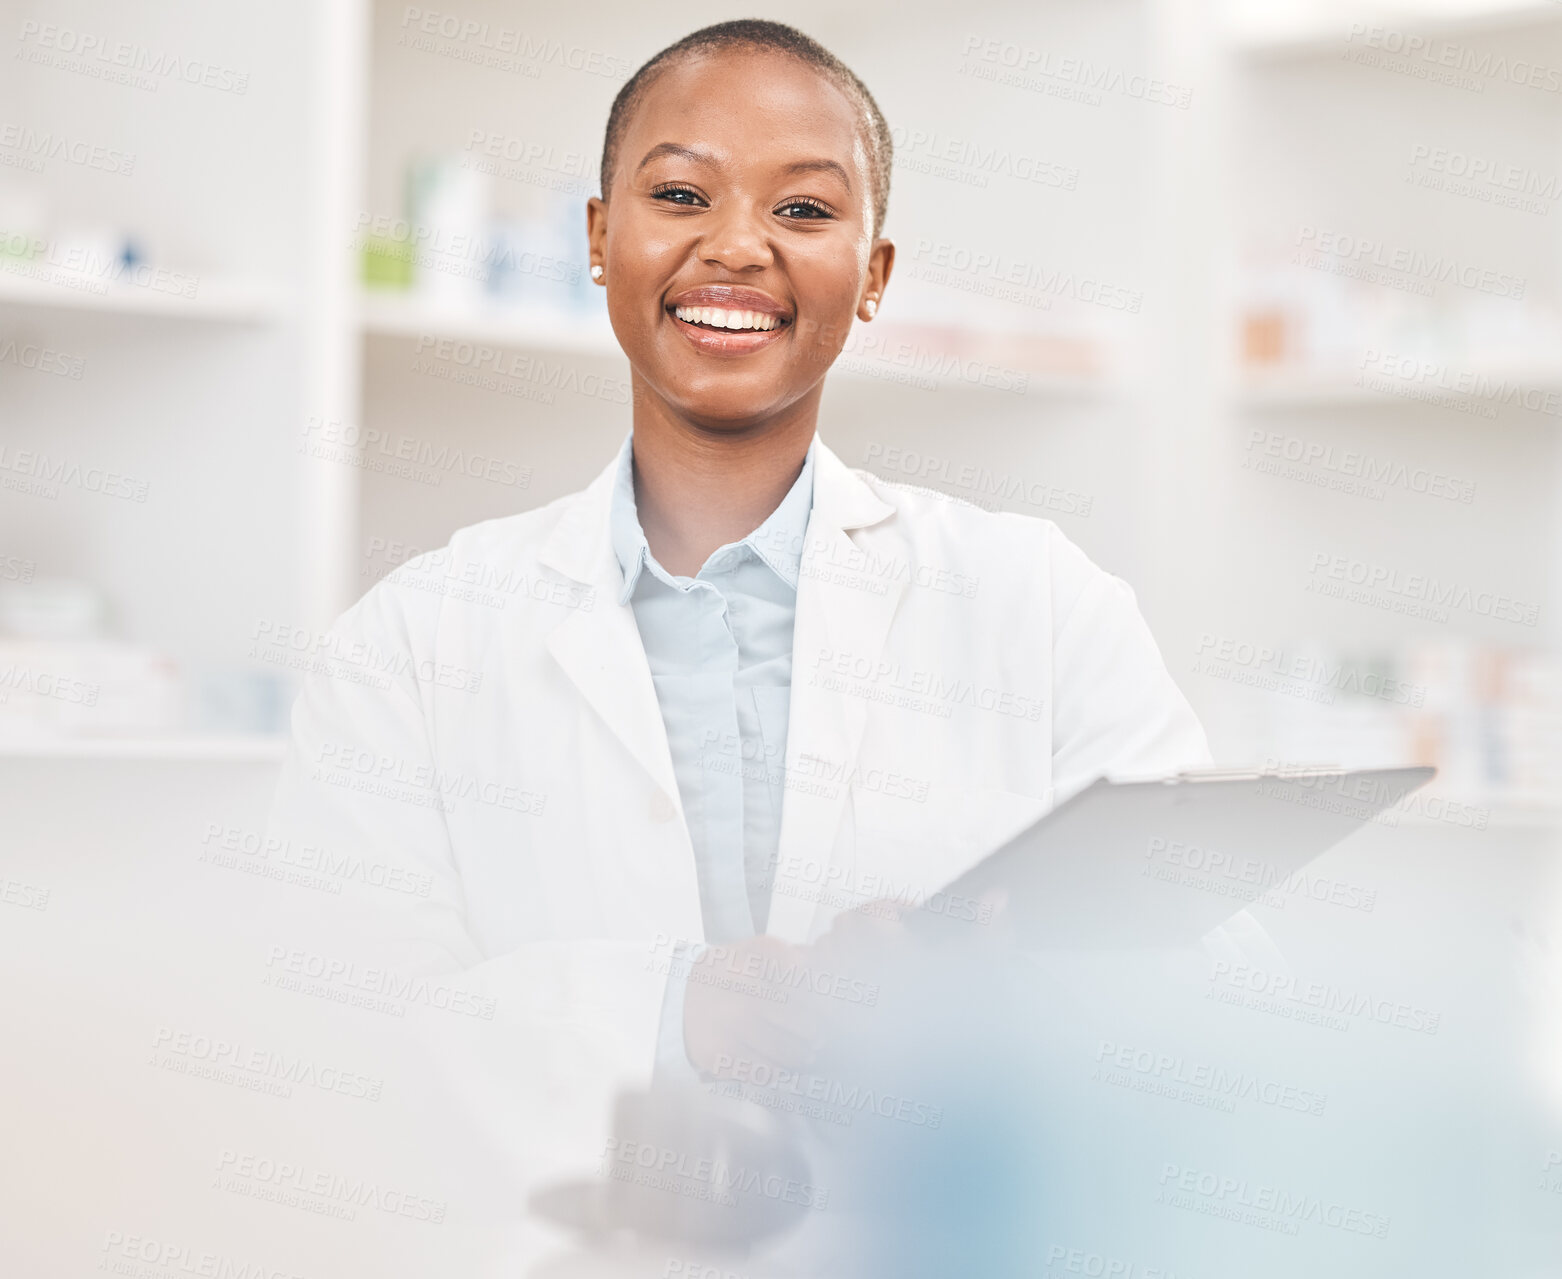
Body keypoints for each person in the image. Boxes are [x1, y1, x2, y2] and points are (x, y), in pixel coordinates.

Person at [266, 15, 1211, 1201]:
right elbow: (324, 1032)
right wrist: (678, 1009)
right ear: (600, 240)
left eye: (804, 211)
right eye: (678, 195)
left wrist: (984, 1005)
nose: (737, 248)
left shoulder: (1042, 604)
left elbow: (1212, 979)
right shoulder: (412, 642)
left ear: (872, 277)